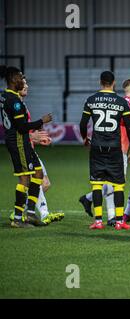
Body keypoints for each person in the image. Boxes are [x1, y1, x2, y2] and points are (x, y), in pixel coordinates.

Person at [79, 71, 130, 230]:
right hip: (115, 147)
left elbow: (83, 124)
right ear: (113, 83)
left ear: (100, 82)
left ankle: (98, 221)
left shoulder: (91, 100)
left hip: (97, 146)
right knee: (118, 185)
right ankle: (119, 221)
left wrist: (85, 138)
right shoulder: (121, 102)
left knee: (97, 184)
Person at [0, 65, 53, 228]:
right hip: (18, 143)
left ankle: (30, 213)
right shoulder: (14, 101)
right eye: (20, 77)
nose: (23, 80)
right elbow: (22, 127)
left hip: (22, 141)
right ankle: (17, 218)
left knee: (37, 172)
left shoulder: (6, 96)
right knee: (24, 178)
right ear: (13, 80)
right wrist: (42, 121)